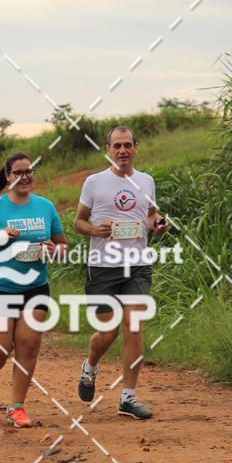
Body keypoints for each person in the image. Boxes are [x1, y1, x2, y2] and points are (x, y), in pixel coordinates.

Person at [0, 152, 68, 428]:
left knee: (29, 345)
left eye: (29, 171)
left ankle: (16, 407)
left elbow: (63, 247)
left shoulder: (45, 207)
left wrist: (54, 250)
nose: (25, 177)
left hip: (34, 287)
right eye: (18, 172)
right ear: (8, 177)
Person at [74, 126, 169, 419]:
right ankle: (90, 365)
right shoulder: (94, 182)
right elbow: (78, 222)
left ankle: (128, 397)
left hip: (137, 265)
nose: (123, 151)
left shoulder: (146, 181)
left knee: (134, 326)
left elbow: (151, 216)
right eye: (117, 146)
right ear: (108, 149)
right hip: (103, 267)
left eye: (128, 145)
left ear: (136, 148)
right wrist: (95, 229)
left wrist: (159, 224)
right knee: (108, 332)